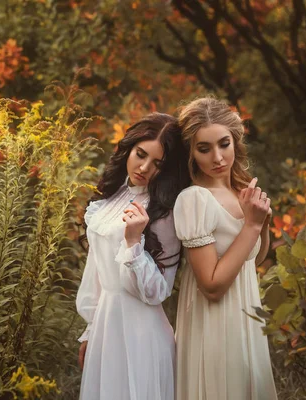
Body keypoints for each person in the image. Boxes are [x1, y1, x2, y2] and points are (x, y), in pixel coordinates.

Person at [76, 112, 190, 400]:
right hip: (105, 328)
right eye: (140, 154)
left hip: (141, 336)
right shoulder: (111, 196)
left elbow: (157, 292)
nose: (144, 167)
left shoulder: (163, 212)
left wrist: (133, 241)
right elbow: (96, 271)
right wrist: (90, 329)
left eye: (157, 164)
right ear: (128, 147)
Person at [173, 97, 278, 399]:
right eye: (204, 148)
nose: (217, 157)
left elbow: (252, 259)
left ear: (235, 141)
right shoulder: (194, 199)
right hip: (214, 325)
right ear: (190, 152)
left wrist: (263, 222)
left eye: (224, 144)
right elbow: (212, 286)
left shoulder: (239, 189)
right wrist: (252, 226)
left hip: (246, 316)